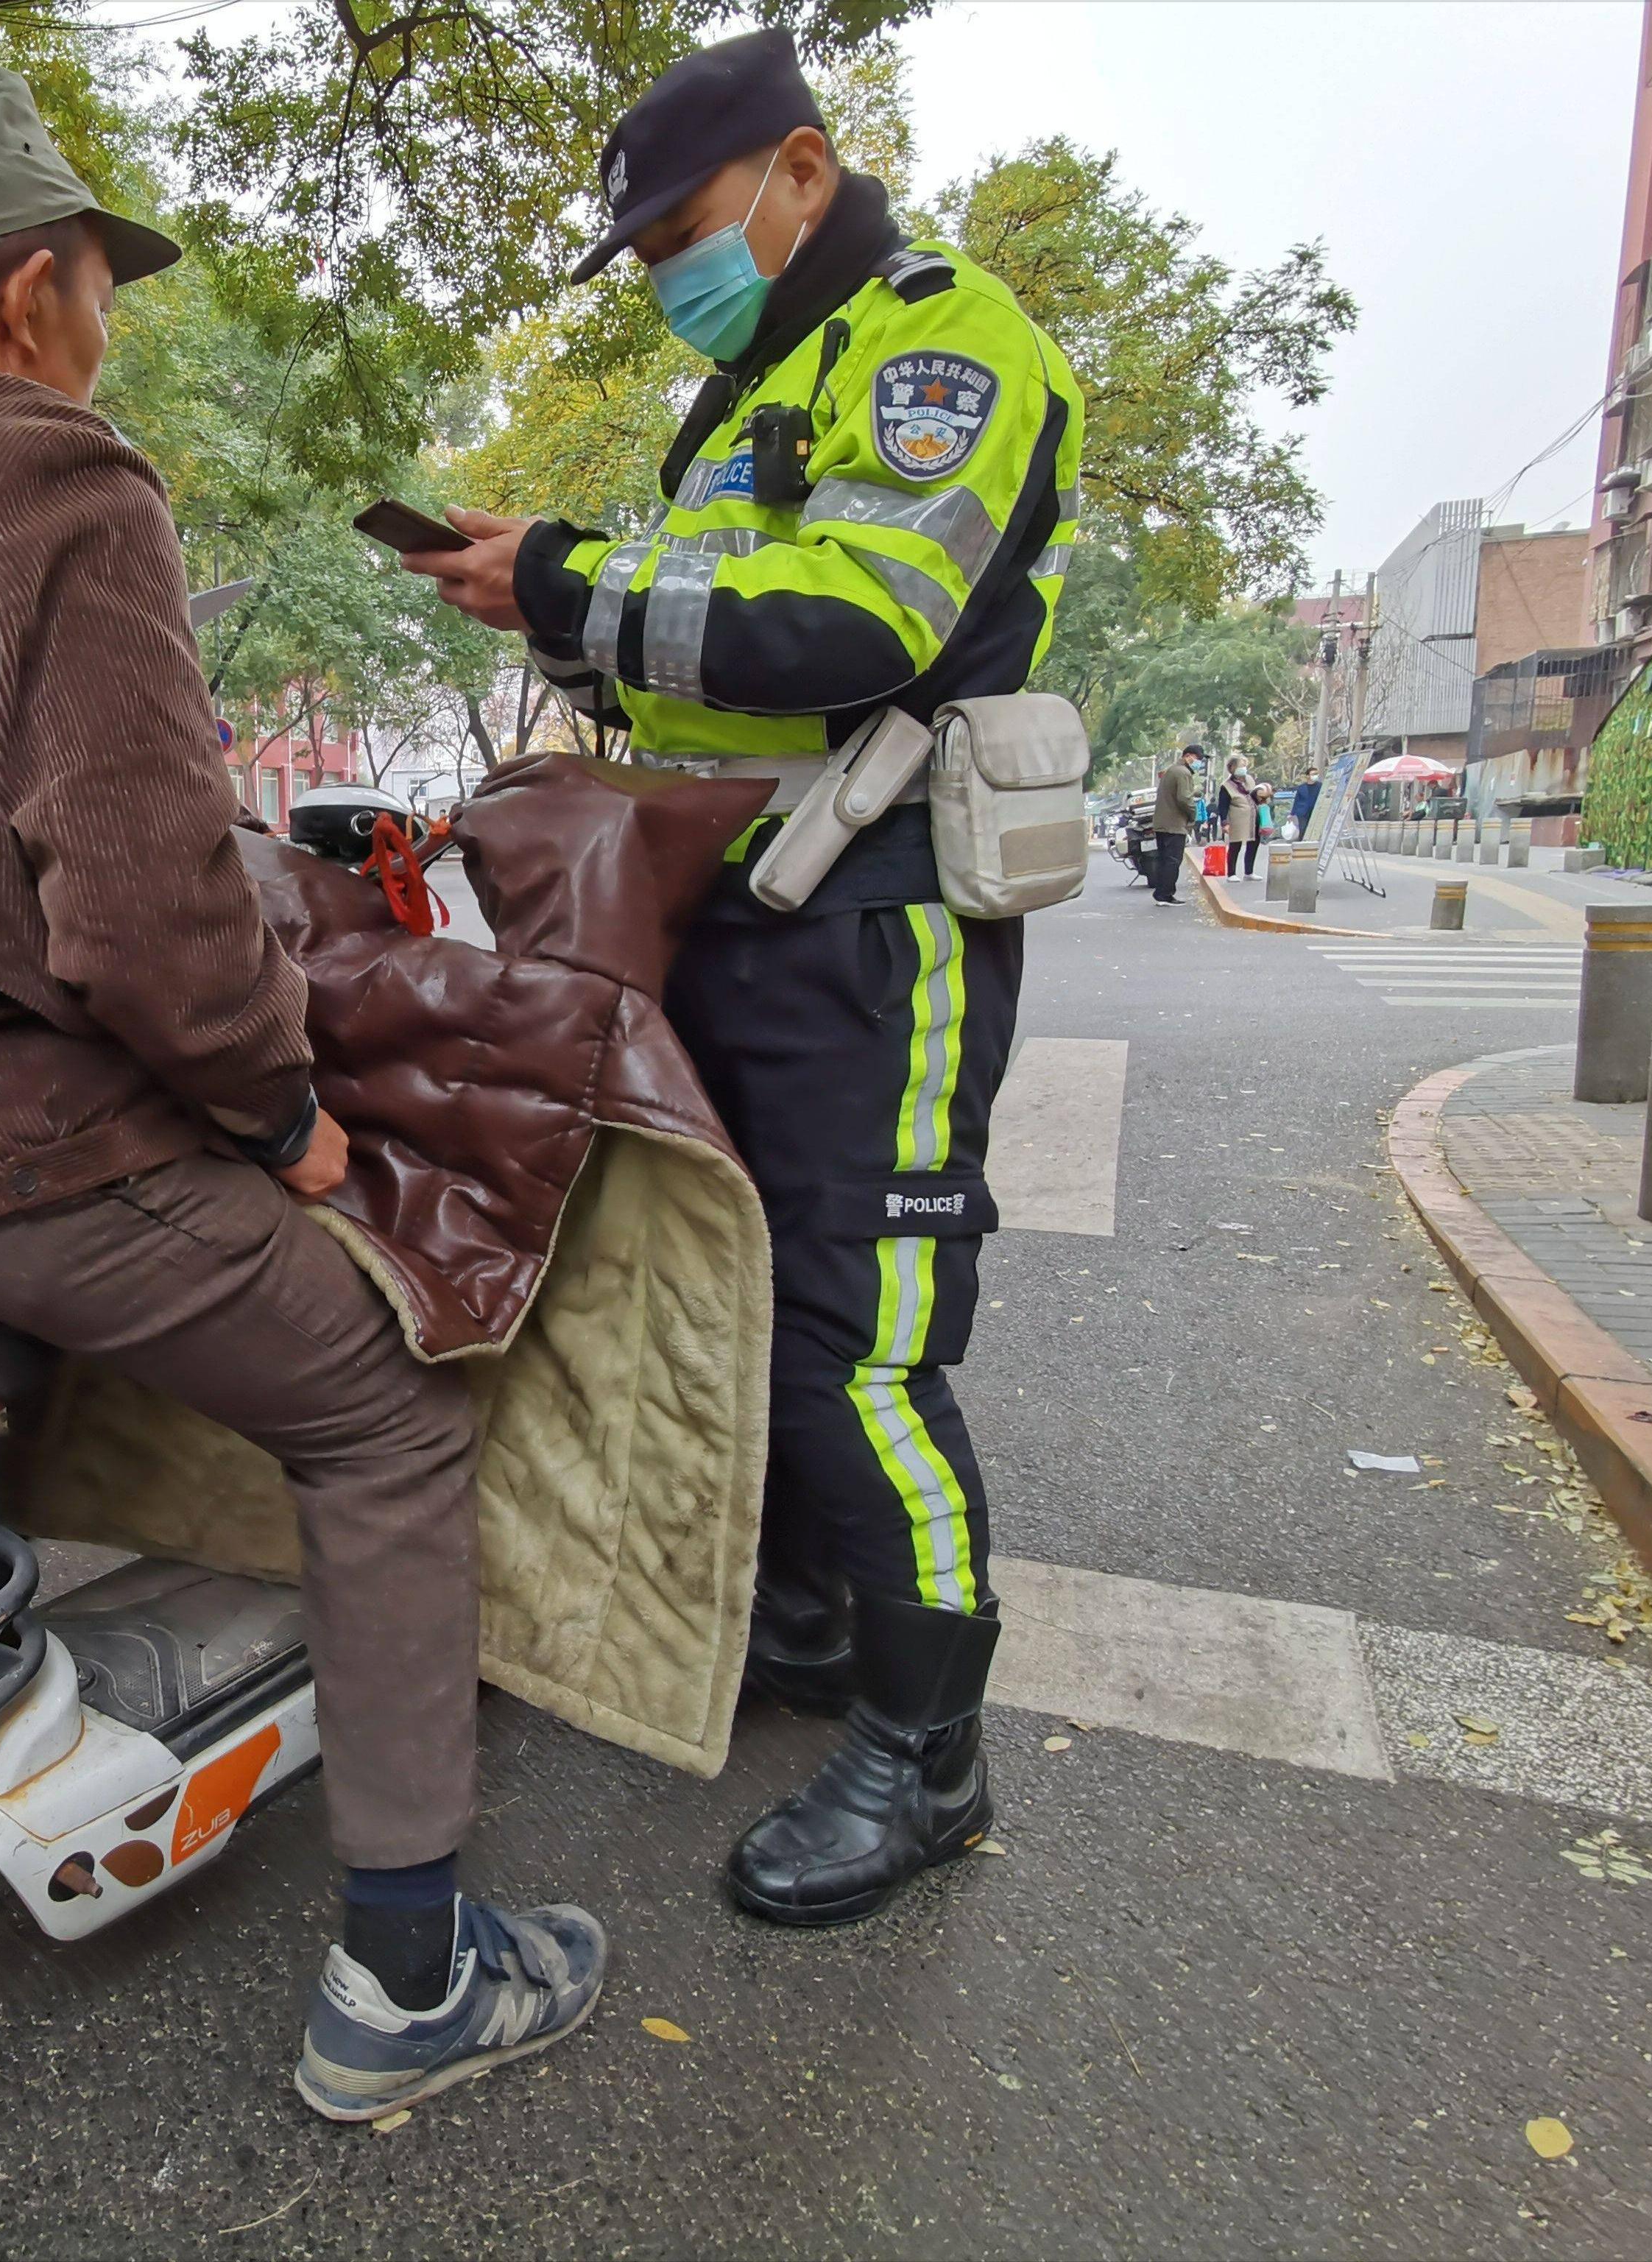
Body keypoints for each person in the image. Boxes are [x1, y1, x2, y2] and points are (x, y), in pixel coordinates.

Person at [0, 57, 604, 2121]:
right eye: (100, 289)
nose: (103, 333)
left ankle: (11, 1718)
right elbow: (153, 911)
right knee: (384, 1411)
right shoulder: (39, 468)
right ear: (32, 290)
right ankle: (409, 1977)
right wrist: (280, 1118)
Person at [398, 27, 1084, 1929]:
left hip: (878, 913)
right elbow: (695, 656)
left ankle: (927, 1752)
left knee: (859, 1342)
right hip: (738, 904)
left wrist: (566, 581)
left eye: (676, 231)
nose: (662, 277)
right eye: (638, 254)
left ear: (800, 171)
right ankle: (794, 1625)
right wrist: (547, 586)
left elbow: (854, 624)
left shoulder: (944, 344)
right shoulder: (753, 391)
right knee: (733, 1288)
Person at [1148, 747, 1200, 903]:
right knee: (1172, 860)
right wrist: (1193, 814)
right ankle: (1165, 894)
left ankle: (1161, 893)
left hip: (1163, 822)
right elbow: (1184, 798)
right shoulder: (1183, 773)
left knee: (1164, 859)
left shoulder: (1172, 770)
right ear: (1187, 756)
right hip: (1174, 824)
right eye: (1197, 758)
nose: (1198, 762)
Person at [1220, 756, 1266, 880]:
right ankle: (1231, 874)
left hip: (1254, 817)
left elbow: (1256, 797)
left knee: (1254, 843)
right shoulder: (1226, 786)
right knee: (1236, 845)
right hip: (1237, 818)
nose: (1243, 769)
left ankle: (1249, 872)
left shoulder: (1250, 780)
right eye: (1241, 766)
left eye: (1245, 766)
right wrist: (1224, 822)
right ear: (1232, 768)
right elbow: (1223, 806)